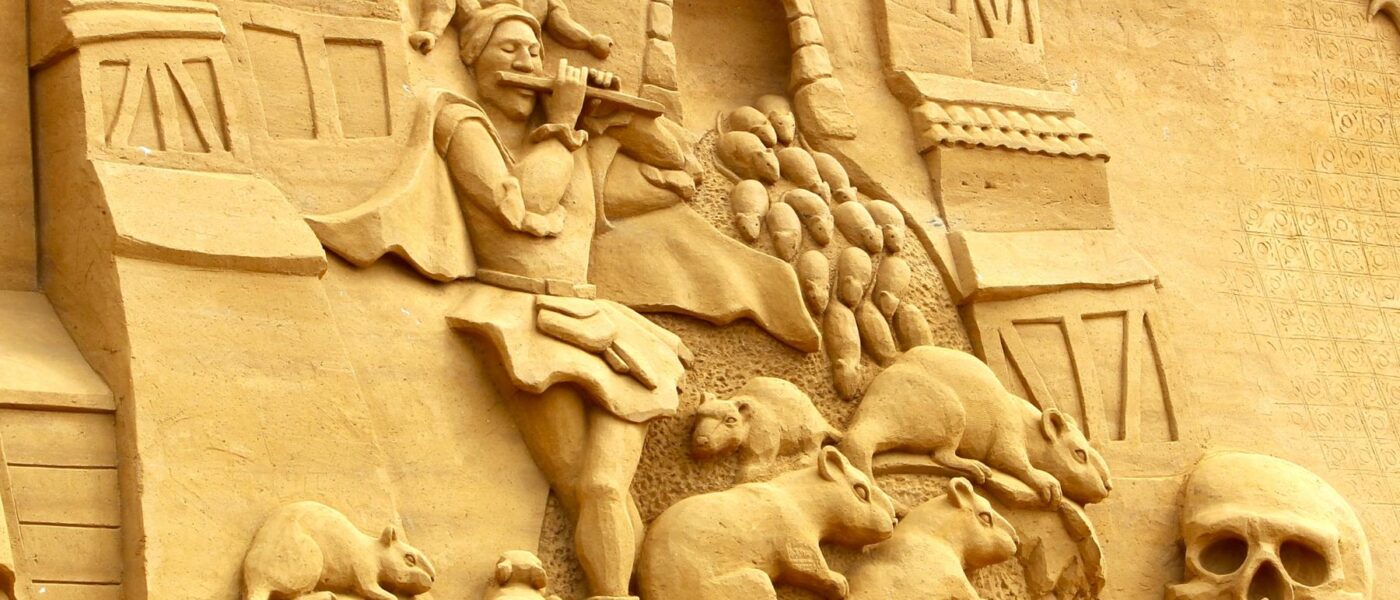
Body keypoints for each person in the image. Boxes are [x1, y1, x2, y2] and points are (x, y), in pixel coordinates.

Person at [308, 6, 819, 598]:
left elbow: (677, 165)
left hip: (601, 320)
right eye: (509, 50)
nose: (527, 61)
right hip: (523, 320)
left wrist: (610, 114)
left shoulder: (573, 134)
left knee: (605, 487)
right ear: (473, 61)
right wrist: (562, 123)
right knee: (590, 489)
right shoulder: (462, 123)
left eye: (534, 50)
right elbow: (524, 203)